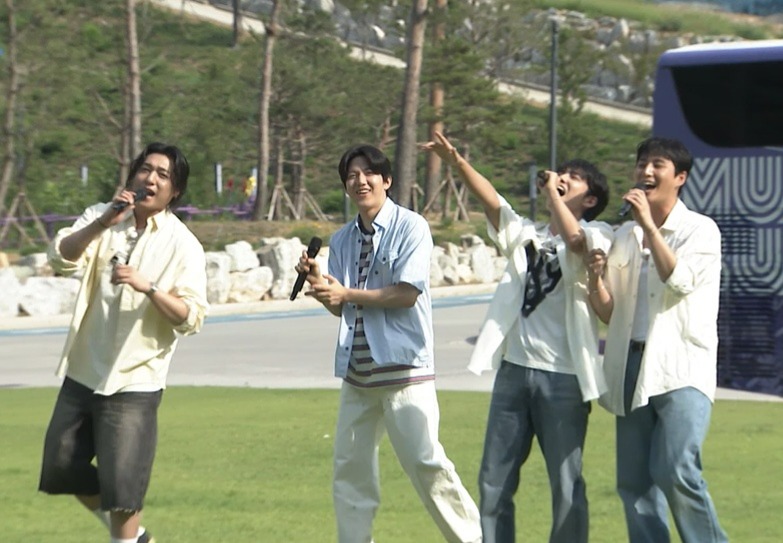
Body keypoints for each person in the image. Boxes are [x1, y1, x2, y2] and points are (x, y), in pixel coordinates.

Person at [421, 132, 612, 543]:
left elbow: (575, 242)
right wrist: (457, 162)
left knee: (567, 484)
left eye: (574, 178)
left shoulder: (600, 233)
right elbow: (494, 203)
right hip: (514, 372)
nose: (562, 178)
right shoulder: (527, 234)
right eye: (561, 173)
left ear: (591, 199)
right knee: (493, 481)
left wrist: (552, 192)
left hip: (564, 377)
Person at [296, 144, 482, 543]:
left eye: (368, 174)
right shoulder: (342, 239)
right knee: (350, 472)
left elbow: (406, 293)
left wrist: (346, 293)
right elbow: (342, 307)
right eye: (351, 176)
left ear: (387, 180)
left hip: (404, 370)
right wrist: (320, 284)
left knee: (426, 464)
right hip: (358, 374)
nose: (360, 181)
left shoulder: (411, 226)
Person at [38, 142, 209, 543]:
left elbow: (191, 317)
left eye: (163, 175)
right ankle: (137, 537)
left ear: (175, 191)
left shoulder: (183, 245)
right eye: (145, 169)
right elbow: (60, 257)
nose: (151, 179)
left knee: (123, 488)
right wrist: (103, 223)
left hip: (135, 379)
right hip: (84, 369)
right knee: (60, 466)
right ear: (133, 174)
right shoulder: (103, 216)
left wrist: (149, 288)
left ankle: (127, 538)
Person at [585, 137, 727, 543]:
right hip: (630, 365)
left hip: (682, 366)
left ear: (680, 177)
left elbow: (679, 282)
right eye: (641, 163)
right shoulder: (625, 235)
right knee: (634, 483)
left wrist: (650, 226)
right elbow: (610, 314)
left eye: (657, 165)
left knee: (676, 469)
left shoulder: (700, 230)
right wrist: (595, 279)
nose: (646, 171)